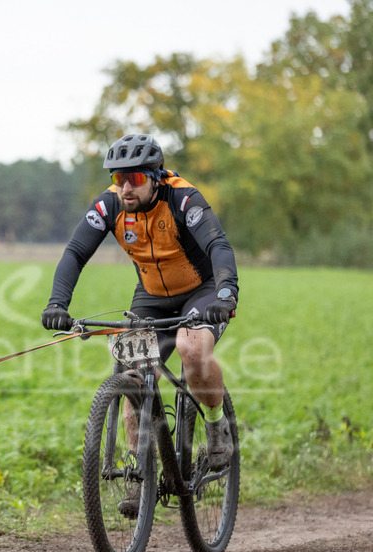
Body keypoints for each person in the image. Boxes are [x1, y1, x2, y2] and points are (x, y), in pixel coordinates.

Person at [41, 133, 238, 515]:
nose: (125, 186)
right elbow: (75, 252)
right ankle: (138, 470)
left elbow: (218, 246)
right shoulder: (111, 204)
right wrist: (57, 304)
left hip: (204, 290)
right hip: (151, 296)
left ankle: (217, 426)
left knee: (191, 348)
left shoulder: (183, 199)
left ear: (155, 176)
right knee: (133, 373)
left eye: (134, 177)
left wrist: (226, 294)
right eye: (118, 177)